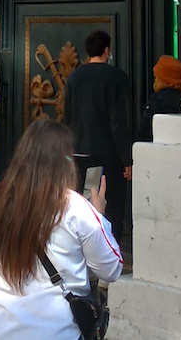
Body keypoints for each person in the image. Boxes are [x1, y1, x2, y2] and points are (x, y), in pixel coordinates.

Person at [0, 119, 122, 340]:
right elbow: (111, 269)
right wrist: (100, 216)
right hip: (57, 332)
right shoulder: (76, 207)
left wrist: (3, 257)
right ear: (65, 163)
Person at [63, 30, 132, 240]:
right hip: (107, 156)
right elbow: (118, 122)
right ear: (106, 50)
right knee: (110, 209)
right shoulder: (117, 78)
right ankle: (109, 255)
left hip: (79, 153)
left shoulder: (74, 77)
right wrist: (126, 159)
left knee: (80, 208)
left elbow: (68, 116)